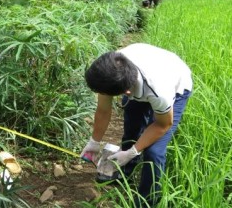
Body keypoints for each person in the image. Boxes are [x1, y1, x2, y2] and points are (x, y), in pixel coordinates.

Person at [81, 43, 193, 207]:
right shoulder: (109, 70)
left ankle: (147, 200)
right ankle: (124, 173)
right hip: (144, 66)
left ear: (126, 93)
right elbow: (103, 111)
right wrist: (94, 142)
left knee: (154, 152)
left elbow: (162, 125)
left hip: (176, 81)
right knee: (132, 129)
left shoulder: (159, 92)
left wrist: (132, 152)